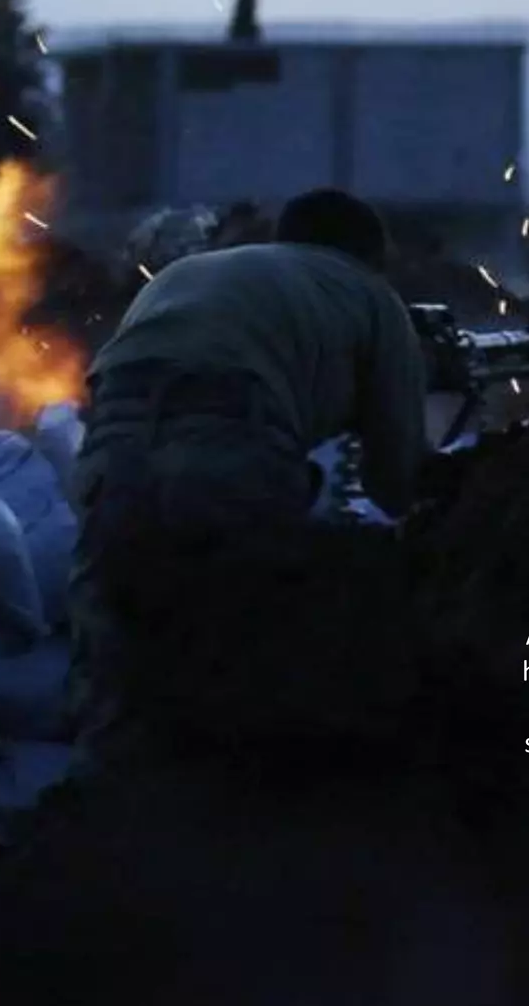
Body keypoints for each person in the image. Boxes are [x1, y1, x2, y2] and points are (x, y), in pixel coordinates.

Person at [65, 188, 432, 766]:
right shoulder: (369, 294)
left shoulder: (185, 274)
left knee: (112, 646)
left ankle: (94, 822)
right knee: (242, 643)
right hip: (228, 445)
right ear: (367, 255)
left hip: (109, 447)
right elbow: (399, 483)